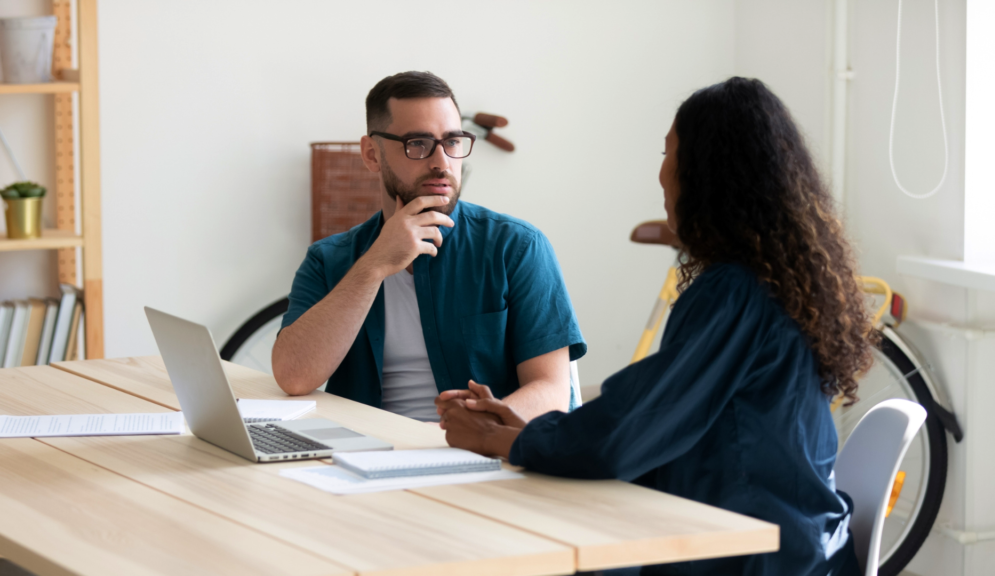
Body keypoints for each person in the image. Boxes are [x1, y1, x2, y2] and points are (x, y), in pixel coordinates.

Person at [439, 77, 874, 576]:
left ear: (708, 176)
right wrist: (535, 432)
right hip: (794, 537)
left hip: (756, 554)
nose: (662, 174)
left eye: (670, 154)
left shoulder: (735, 291)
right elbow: (659, 421)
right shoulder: (773, 278)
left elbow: (633, 429)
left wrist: (505, 442)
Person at [272, 71, 586, 423]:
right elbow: (293, 376)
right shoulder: (329, 259)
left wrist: (471, 430)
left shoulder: (516, 247)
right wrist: (374, 265)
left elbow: (552, 393)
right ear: (372, 155)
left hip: (477, 454)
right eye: (418, 144)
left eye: (452, 142)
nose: (441, 163)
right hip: (362, 455)